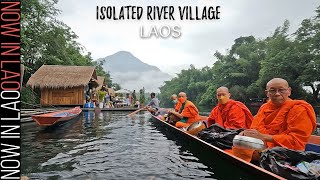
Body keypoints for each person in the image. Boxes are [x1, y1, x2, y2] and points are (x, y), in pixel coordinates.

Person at [240, 78, 316, 151]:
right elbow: (255, 128)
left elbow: (296, 141)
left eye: (281, 90)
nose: (277, 94)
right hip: (262, 145)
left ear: (289, 91)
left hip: (286, 151)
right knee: (237, 141)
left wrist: (264, 137)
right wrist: (246, 133)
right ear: (267, 93)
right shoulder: (264, 107)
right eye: (272, 90)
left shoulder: (299, 109)